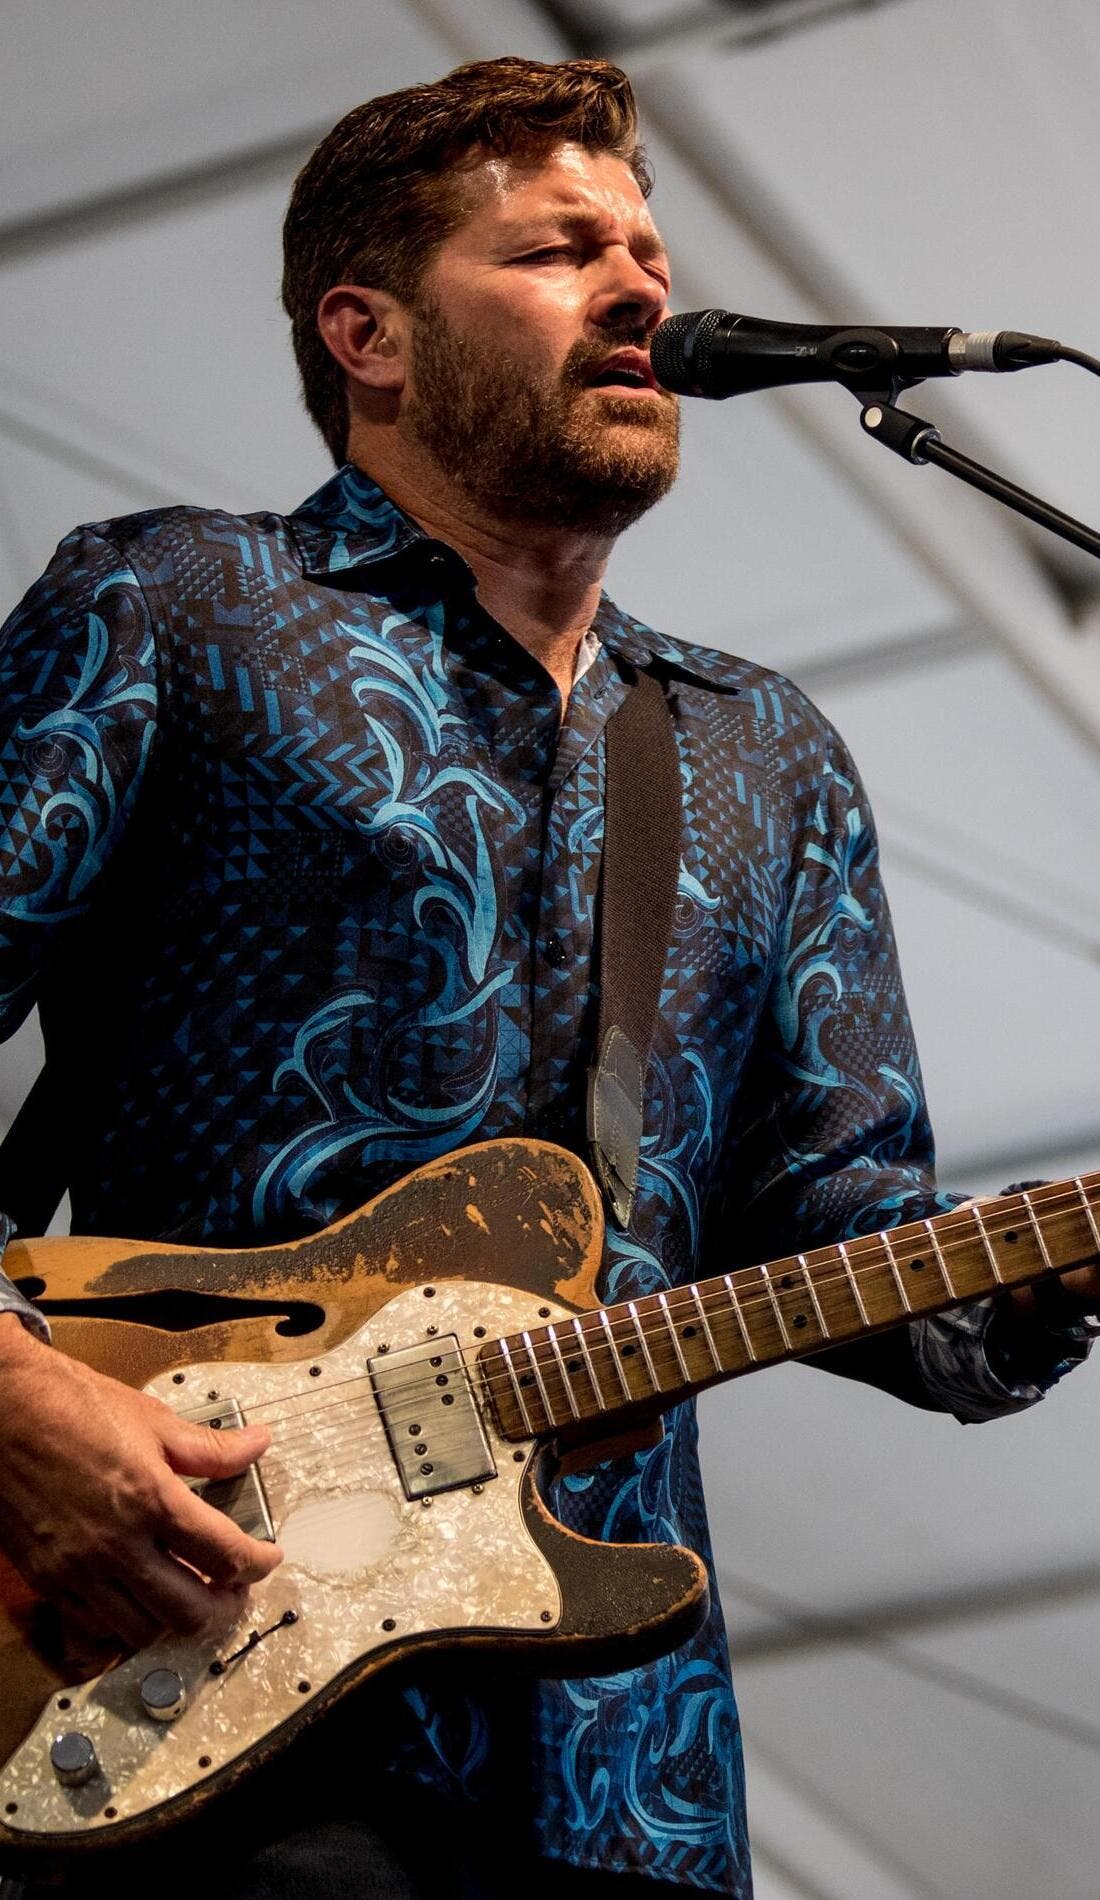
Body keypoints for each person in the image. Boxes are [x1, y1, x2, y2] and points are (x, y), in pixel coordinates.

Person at [0, 54, 1095, 1900]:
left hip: (627, 1773)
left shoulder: (765, 750)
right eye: (561, 248)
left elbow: (858, 1233)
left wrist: (1049, 1270)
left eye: (648, 247)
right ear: (372, 333)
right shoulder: (179, 608)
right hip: (187, 1681)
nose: (644, 285)